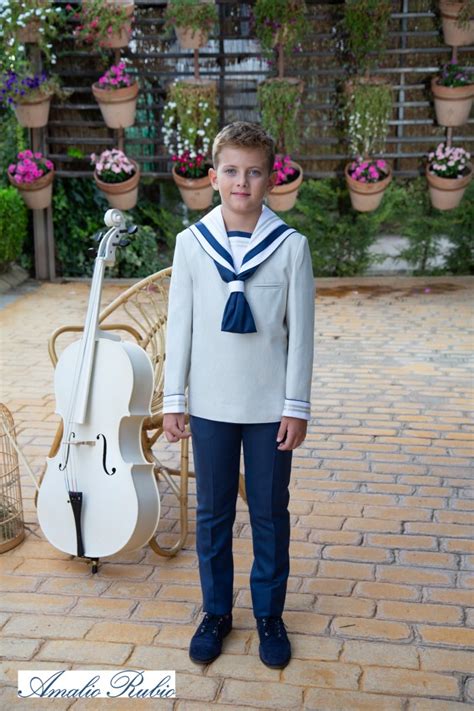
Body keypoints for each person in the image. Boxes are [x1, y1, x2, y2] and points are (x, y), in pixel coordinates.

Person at [163, 121, 314, 669]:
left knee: (272, 511)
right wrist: (173, 398)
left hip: (269, 406)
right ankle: (217, 611)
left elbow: (301, 334)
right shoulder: (190, 246)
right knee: (214, 514)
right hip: (209, 404)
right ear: (212, 177)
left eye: (253, 173)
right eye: (230, 171)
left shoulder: (291, 248)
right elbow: (179, 326)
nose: (241, 182)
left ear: (270, 180)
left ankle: (270, 614)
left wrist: (296, 406)